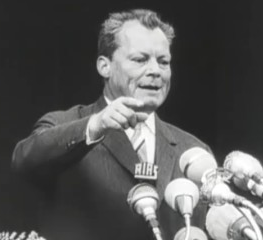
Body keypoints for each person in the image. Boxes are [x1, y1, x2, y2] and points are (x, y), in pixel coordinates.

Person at [12, 9, 212, 240]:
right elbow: (24, 160)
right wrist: (96, 126)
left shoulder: (193, 152)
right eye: (140, 59)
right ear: (104, 66)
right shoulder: (68, 125)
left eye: (163, 61)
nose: (156, 71)